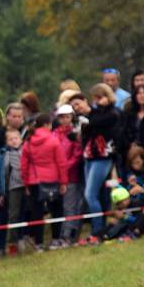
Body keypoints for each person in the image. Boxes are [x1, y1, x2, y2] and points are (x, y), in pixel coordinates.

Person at [79, 84, 120, 243]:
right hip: (90, 156)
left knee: (90, 194)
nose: (97, 101)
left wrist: (89, 115)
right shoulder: (95, 113)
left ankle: (97, 230)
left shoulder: (112, 114)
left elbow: (97, 123)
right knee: (96, 194)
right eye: (95, 98)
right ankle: (100, 228)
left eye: (100, 97)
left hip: (103, 158)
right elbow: (87, 130)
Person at [21, 113, 67, 250]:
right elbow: (61, 163)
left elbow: (23, 166)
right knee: (56, 210)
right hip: (52, 180)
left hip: (34, 181)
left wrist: (26, 183)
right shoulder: (53, 140)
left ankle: (39, 243)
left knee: (37, 213)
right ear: (47, 124)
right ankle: (55, 240)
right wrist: (63, 182)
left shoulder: (28, 141)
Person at [53, 104, 84, 245]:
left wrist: (63, 168)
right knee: (59, 207)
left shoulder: (75, 133)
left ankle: (69, 236)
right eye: (62, 117)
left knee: (70, 206)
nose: (65, 120)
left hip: (71, 176)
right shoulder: (54, 134)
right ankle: (60, 235)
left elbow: (77, 155)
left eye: (67, 117)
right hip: (55, 177)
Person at [0, 129, 24, 255]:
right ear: (6, 142)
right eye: (11, 139)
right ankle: (12, 243)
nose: (14, 141)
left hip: (28, 185)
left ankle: (26, 238)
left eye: (16, 138)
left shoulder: (26, 151)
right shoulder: (5, 154)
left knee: (27, 212)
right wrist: (3, 192)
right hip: (14, 187)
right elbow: (3, 175)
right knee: (13, 215)